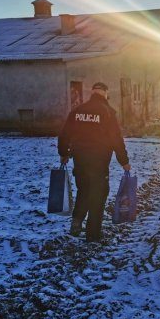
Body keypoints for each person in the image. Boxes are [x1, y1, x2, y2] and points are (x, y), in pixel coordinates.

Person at [58, 82, 131, 241]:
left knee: (83, 190)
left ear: (92, 93)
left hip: (80, 160)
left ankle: (76, 222)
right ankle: (93, 234)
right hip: (99, 161)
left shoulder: (77, 111)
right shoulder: (108, 113)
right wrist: (124, 161)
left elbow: (64, 134)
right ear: (105, 93)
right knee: (98, 194)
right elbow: (116, 140)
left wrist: (64, 153)